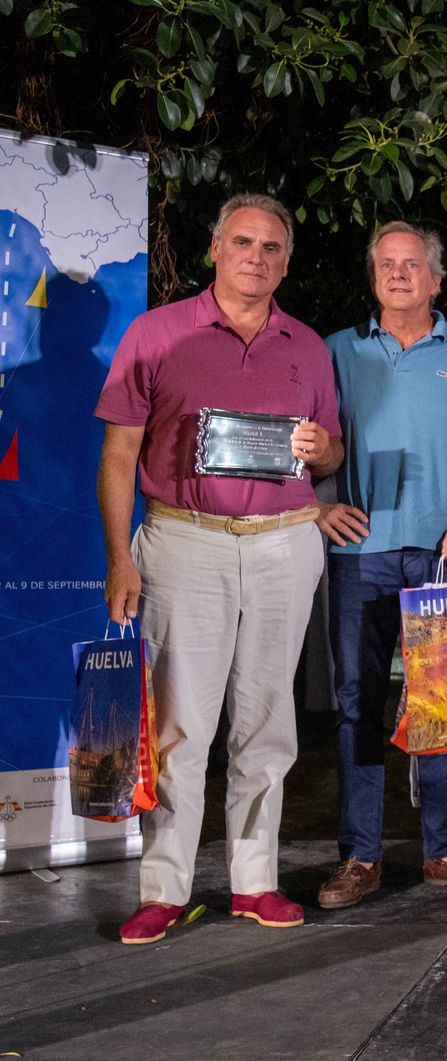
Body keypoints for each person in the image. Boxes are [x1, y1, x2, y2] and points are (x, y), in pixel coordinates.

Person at [96, 193, 343, 944]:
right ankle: (165, 887)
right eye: (243, 242)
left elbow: (332, 451)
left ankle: (255, 881)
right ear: (214, 249)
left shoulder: (308, 345)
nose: (257, 257)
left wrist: (318, 451)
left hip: (283, 540)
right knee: (181, 724)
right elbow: (116, 456)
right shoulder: (157, 332)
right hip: (183, 539)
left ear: (287, 261)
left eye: (272, 247)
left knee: (270, 719)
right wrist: (117, 556)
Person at [313, 221, 447, 909]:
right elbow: (298, 442)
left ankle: (446, 850)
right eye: (386, 264)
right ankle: (361, 856)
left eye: (413, 265)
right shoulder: (336, 351)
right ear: (373, 276)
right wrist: (316, 510)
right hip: (358, 554)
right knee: (355, 706)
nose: (399, 274)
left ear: (436, 280)